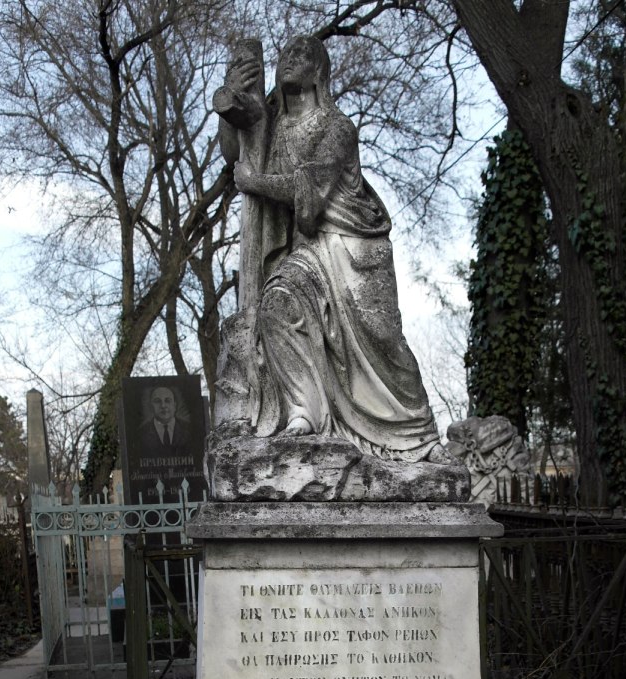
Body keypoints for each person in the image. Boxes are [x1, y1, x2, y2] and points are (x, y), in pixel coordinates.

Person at [220, 37, 445, 462]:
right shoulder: (276, 124)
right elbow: (237, 150)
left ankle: (418, 433)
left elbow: (310, 189)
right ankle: (304, 412)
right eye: (286, 55)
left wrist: (254, 183)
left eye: (301, 55)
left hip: (355, 244)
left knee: (384, 342)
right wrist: (229, 103)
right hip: (311, 248)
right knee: (277, 303)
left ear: (319, 72)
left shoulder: (337, 127)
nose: (289, 60)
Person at [140, 385, 192, 456]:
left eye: (168, 401)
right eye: (157, 401)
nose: (163, 406)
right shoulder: (141, 432)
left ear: (174, 406)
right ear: (151, 406)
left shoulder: (189, 429)